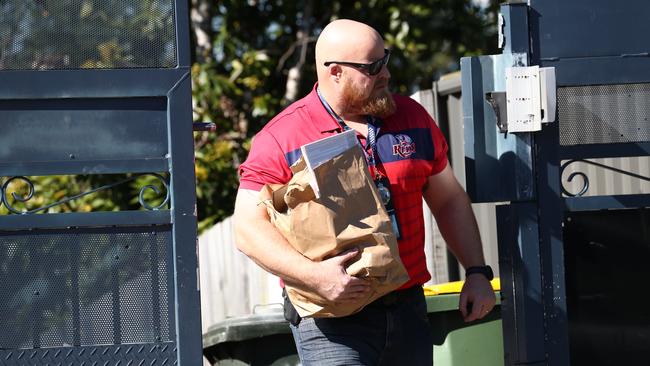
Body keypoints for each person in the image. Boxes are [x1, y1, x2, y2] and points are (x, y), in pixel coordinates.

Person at [233, 19, 496, 366]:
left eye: (385, 59)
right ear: (336, 72)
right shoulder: (282, 137)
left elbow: (447, 199)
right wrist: (314, 276)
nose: (385, 73)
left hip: (407, 308)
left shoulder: (412, 118)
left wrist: (477, 271)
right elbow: (248, 228)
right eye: (373, 67)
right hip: (330, 319)